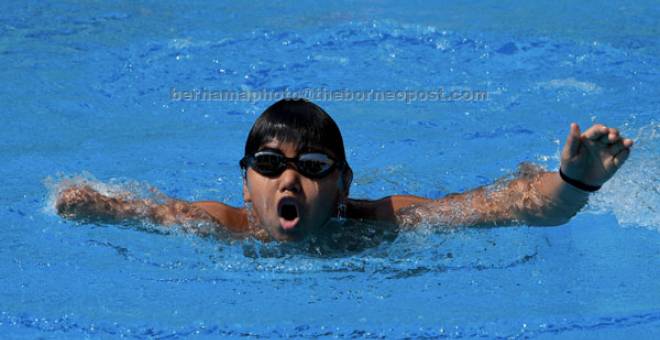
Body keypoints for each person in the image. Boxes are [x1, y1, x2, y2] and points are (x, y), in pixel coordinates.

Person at [56, 98, 634, 243]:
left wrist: (575, 181)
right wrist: (94, 206)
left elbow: (509, 204)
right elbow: (143, 211)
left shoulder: (382, 223)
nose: (287, 180)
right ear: (244, 182)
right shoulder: (221, 227)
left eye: (310, 166)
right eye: (268, 165)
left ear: (342, 185)